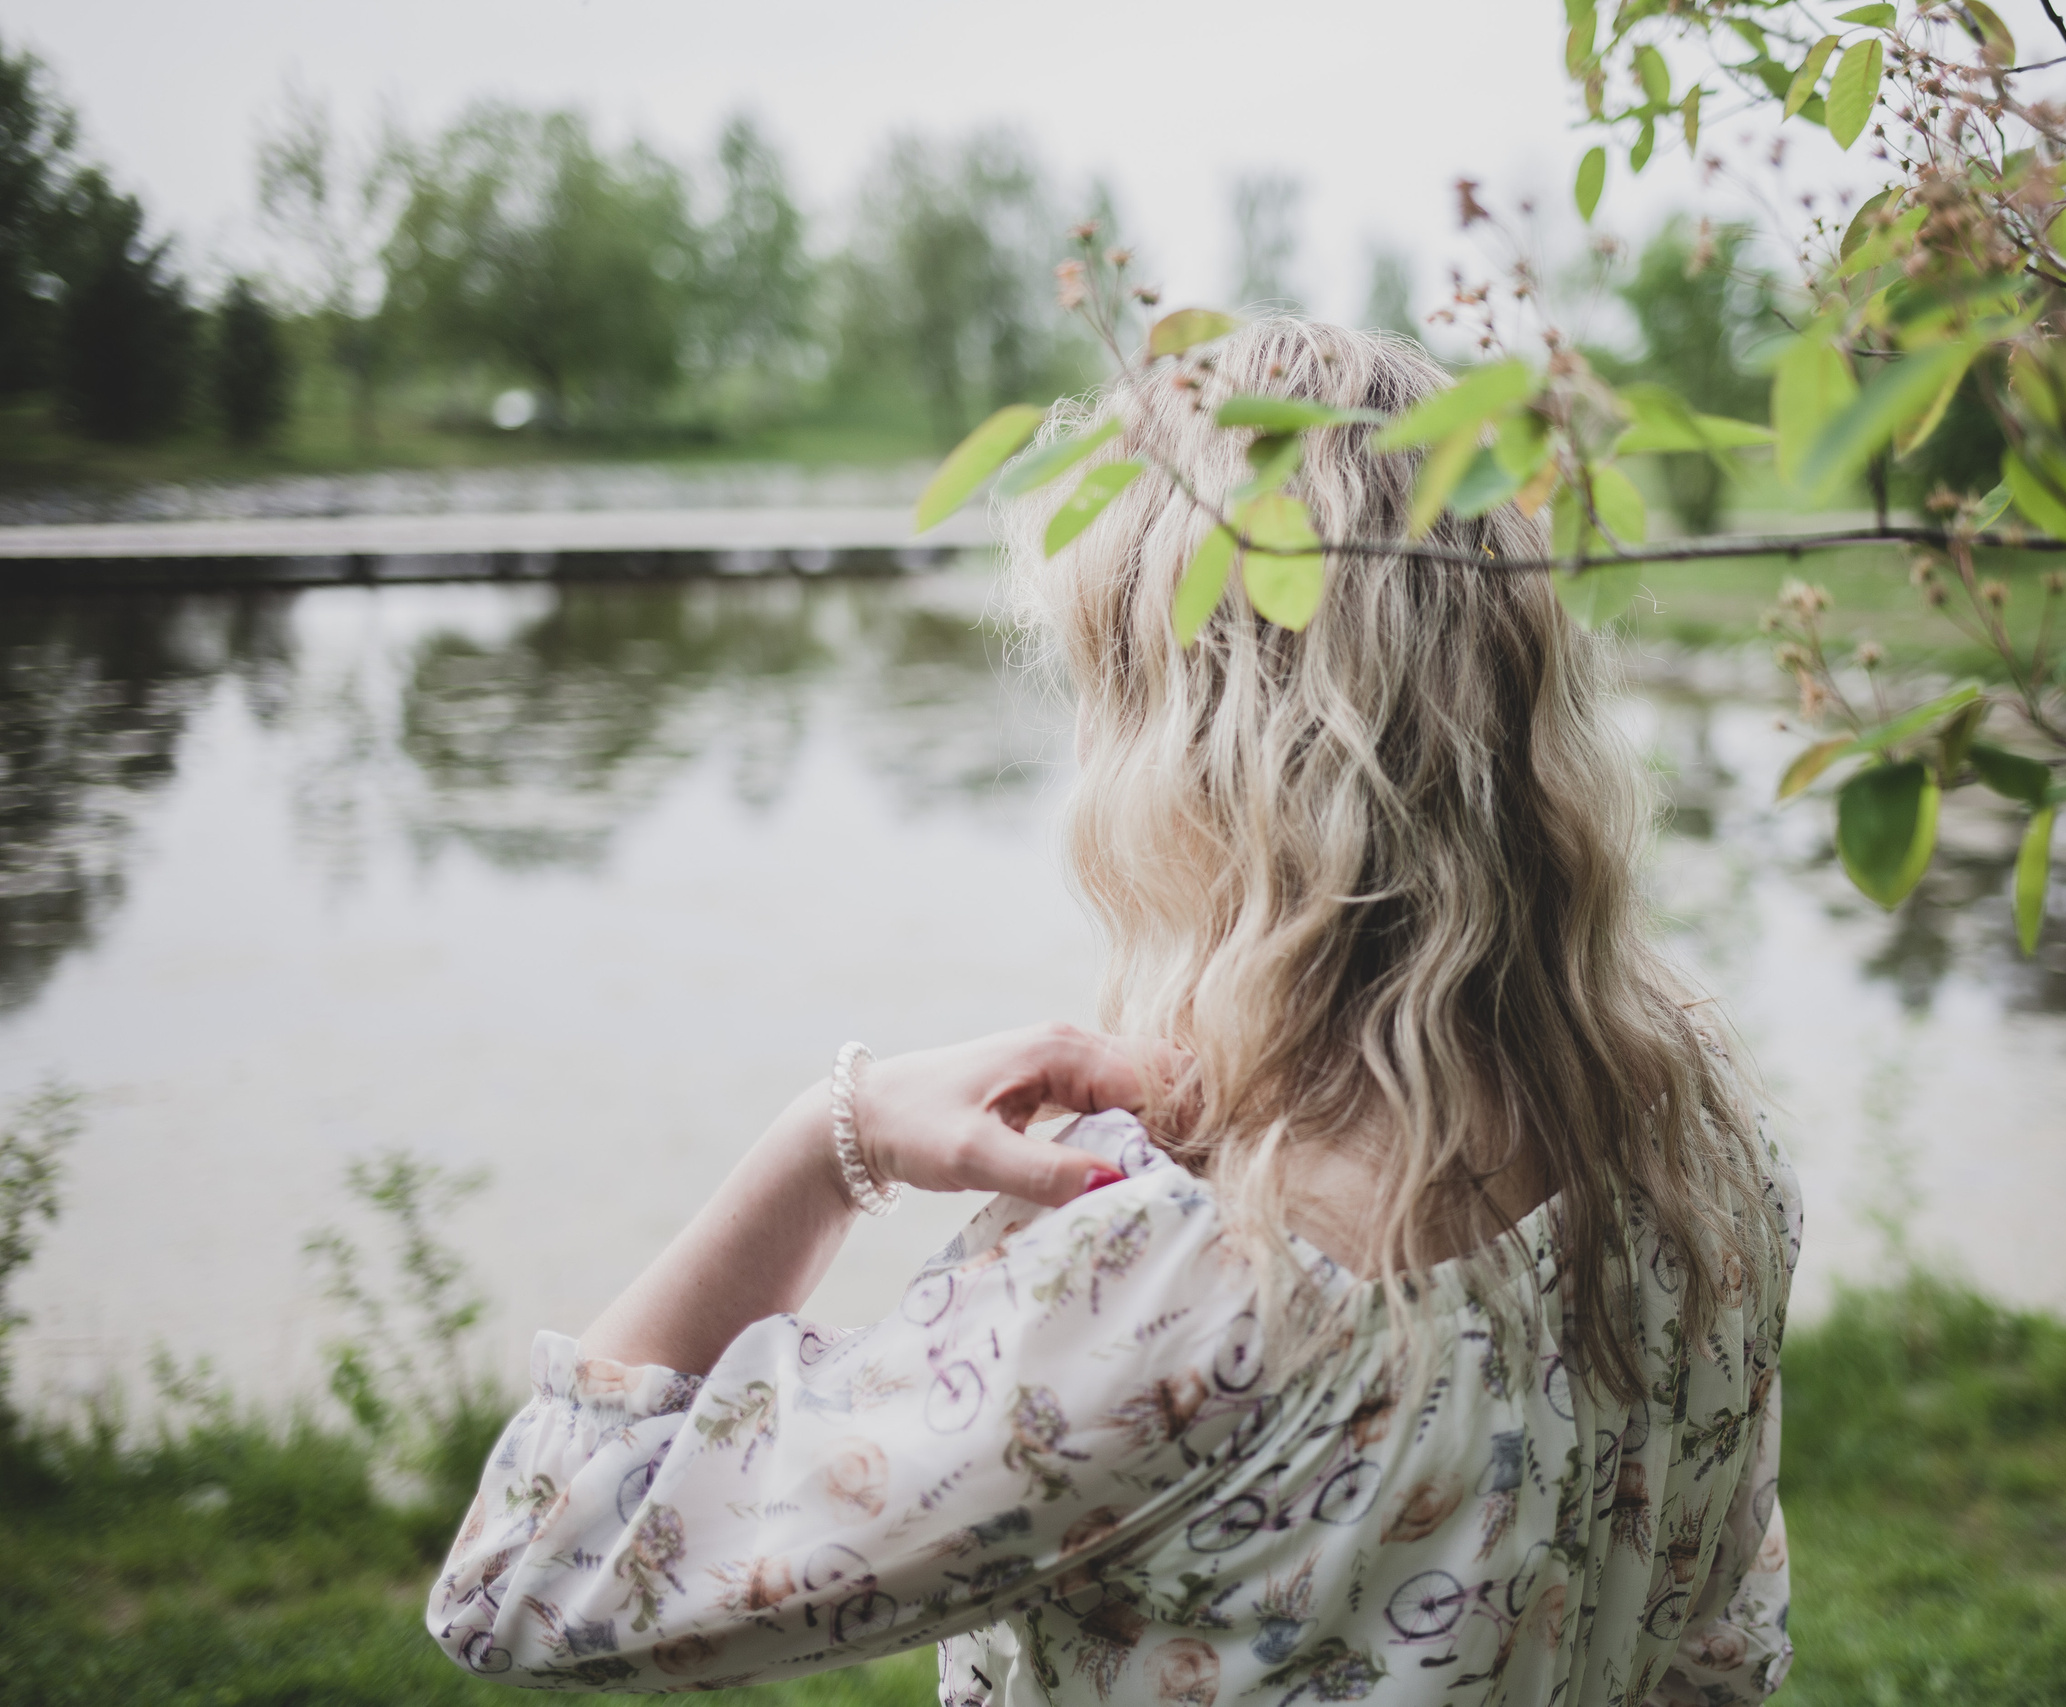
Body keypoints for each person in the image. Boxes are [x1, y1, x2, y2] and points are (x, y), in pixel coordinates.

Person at [427, 319, 1802, 1704]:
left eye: (1100, 681)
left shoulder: (1179, 1283)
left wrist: (830, 1137)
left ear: (1192, 746)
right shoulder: (1691, 1114)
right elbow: (1717, 1643)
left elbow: (533, 1565)